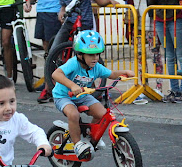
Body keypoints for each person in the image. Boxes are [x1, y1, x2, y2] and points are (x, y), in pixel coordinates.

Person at [51, 30, 134, 159]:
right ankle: (77, 144)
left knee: (102, 113)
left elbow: (111, 74)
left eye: (97, 54)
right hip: (63, 96)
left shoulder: (96, 67)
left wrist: (124, 72)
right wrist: (73, 85)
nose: (95, 58)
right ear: (80, 55)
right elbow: (56, 74)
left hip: (82, 96)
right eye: (91, 55)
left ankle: (90, 136)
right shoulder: (73, 63)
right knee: (73, 114)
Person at [25, 0, 66, 103]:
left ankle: (54, 86)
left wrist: (63, 8)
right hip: (41, 10)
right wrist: (29, 1)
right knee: (46, 49)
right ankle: (50, 81)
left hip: (54, 12)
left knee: (55, 51)